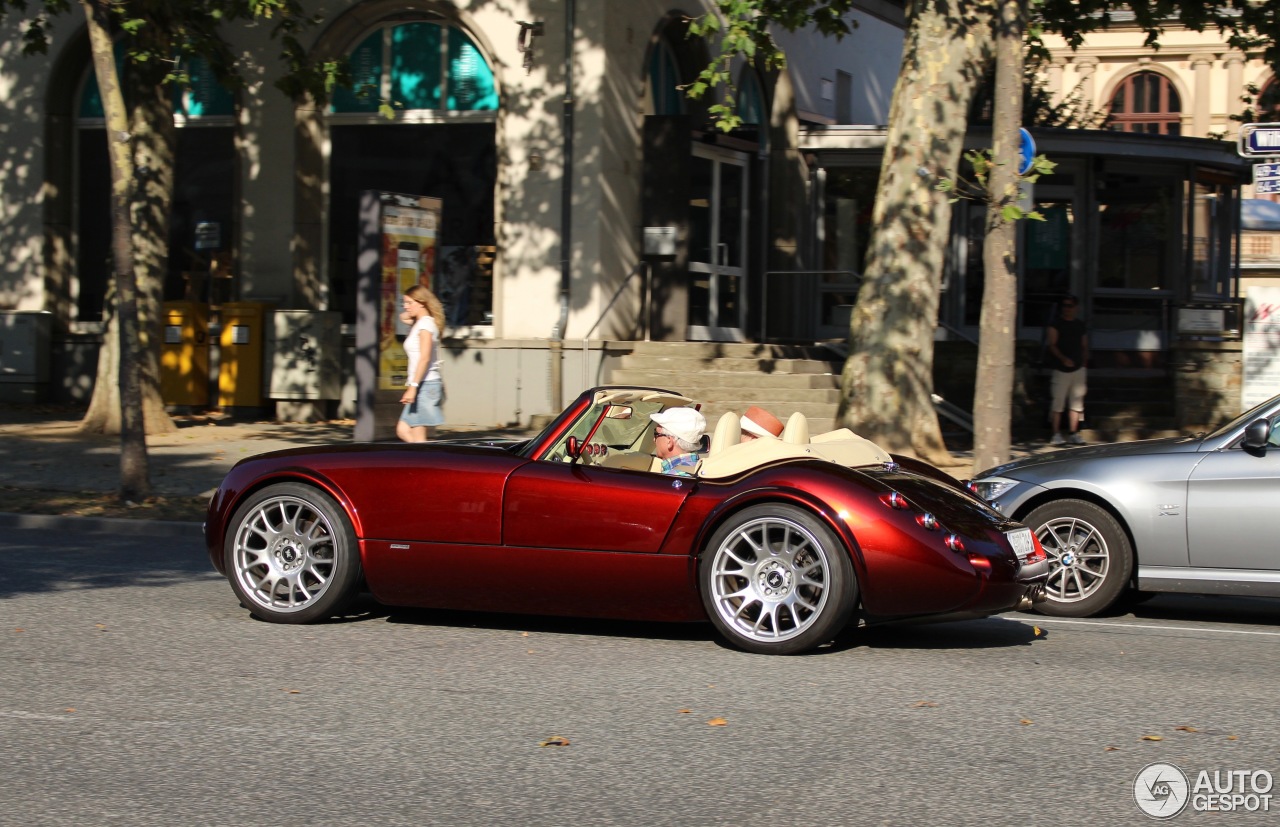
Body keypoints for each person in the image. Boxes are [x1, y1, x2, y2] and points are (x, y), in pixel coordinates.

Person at [396, 284, 446, 442]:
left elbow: (424, 358)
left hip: (425, 385)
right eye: (404, 302)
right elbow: (402, 317)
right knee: (403, 430)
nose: (406, 306)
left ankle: (431, 462)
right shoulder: (421, 322)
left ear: (421, 302)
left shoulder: (425, 325)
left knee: (418, 438)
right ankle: (429, 459)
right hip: (422, 384)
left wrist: (413, 388)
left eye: (409, 303)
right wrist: (413, 310)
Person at [1046, 294, 1088, 445]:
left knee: (1077, 404)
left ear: (1076, 308)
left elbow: (1084, 345)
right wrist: (1063, 359)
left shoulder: (1080, 325)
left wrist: (1084, 362)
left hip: (1078, 369)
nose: (1067, 309)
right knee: (1058, 403)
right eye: (1064, 305)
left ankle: (1073, 432)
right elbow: (1052, 344)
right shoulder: (1056, 324)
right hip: (1061, 369)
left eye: (1070, 306)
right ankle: (1056, 434)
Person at [649, 407, 706, 476]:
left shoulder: (669, 477)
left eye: (656, 434)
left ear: (669, 441)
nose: (654, 440)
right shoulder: (702, 468)